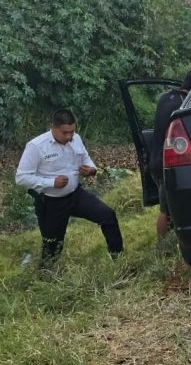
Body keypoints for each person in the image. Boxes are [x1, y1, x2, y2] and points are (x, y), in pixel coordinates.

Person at [15, 109, 124, 262]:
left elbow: (86, 160)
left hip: (76, 196)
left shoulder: (76, 139)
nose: (69, 136)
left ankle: (118, 260)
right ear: (52, 127)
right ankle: (46, 277)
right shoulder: (36, 146)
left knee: (108, 216)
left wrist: (91, 170)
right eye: (64, 133)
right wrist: (51, 182)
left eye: (72, 131)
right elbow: (21, 178)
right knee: (52, 247)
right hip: (51, 203)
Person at [149, 70, 191, 237]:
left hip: (154, 160)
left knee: (168, 208)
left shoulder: (166, 98)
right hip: (166, 163)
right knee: (166, 211)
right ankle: (163, 247)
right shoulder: (183, 105)